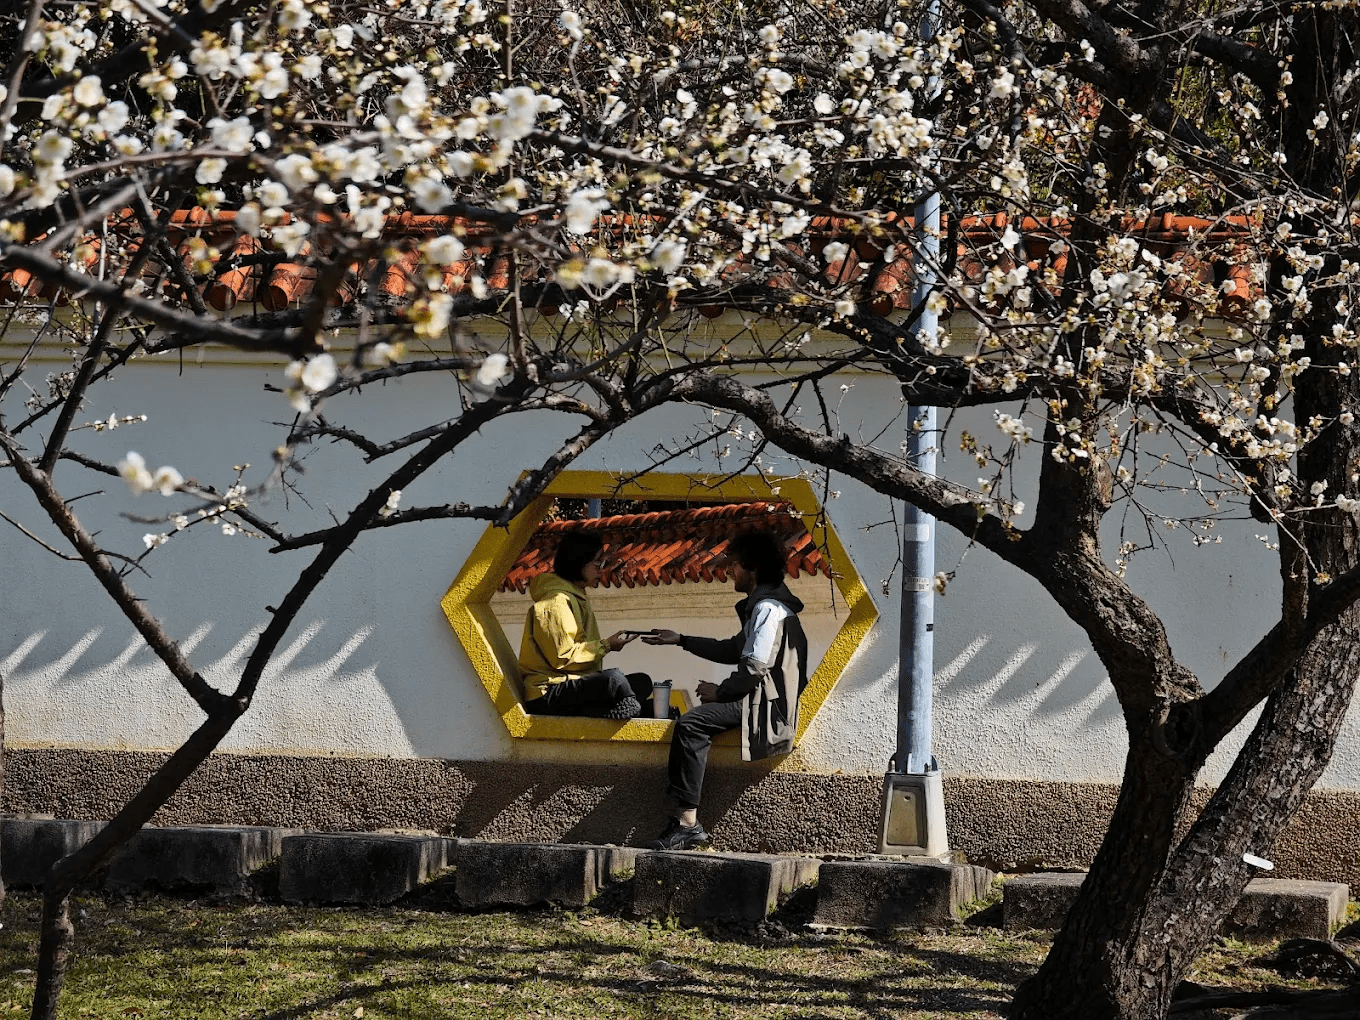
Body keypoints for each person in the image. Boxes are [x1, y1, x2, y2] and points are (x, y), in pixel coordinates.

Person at [642, 529, 809, 850]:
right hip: (761, 701)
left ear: (753, 569)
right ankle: (686, 822)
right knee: (694, 721)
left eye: (734, 565)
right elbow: (733, 649)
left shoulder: (767, 610)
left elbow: (754, 668)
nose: (729, 571)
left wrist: (721, 692)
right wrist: (681, 640)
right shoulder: (766, 606)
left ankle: (687, 823)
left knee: (691, 724)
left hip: (766, 707)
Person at [518, 531, 653, 719]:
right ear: (578, 562)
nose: (601, 570)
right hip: (548, 692)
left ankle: (609, 708)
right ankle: (624, 707)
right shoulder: (555, 601)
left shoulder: (575, 597)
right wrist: (606, 646)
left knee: (642, 681)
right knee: (613, 680)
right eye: (598, 563)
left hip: (572, 685)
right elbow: (562, 657)